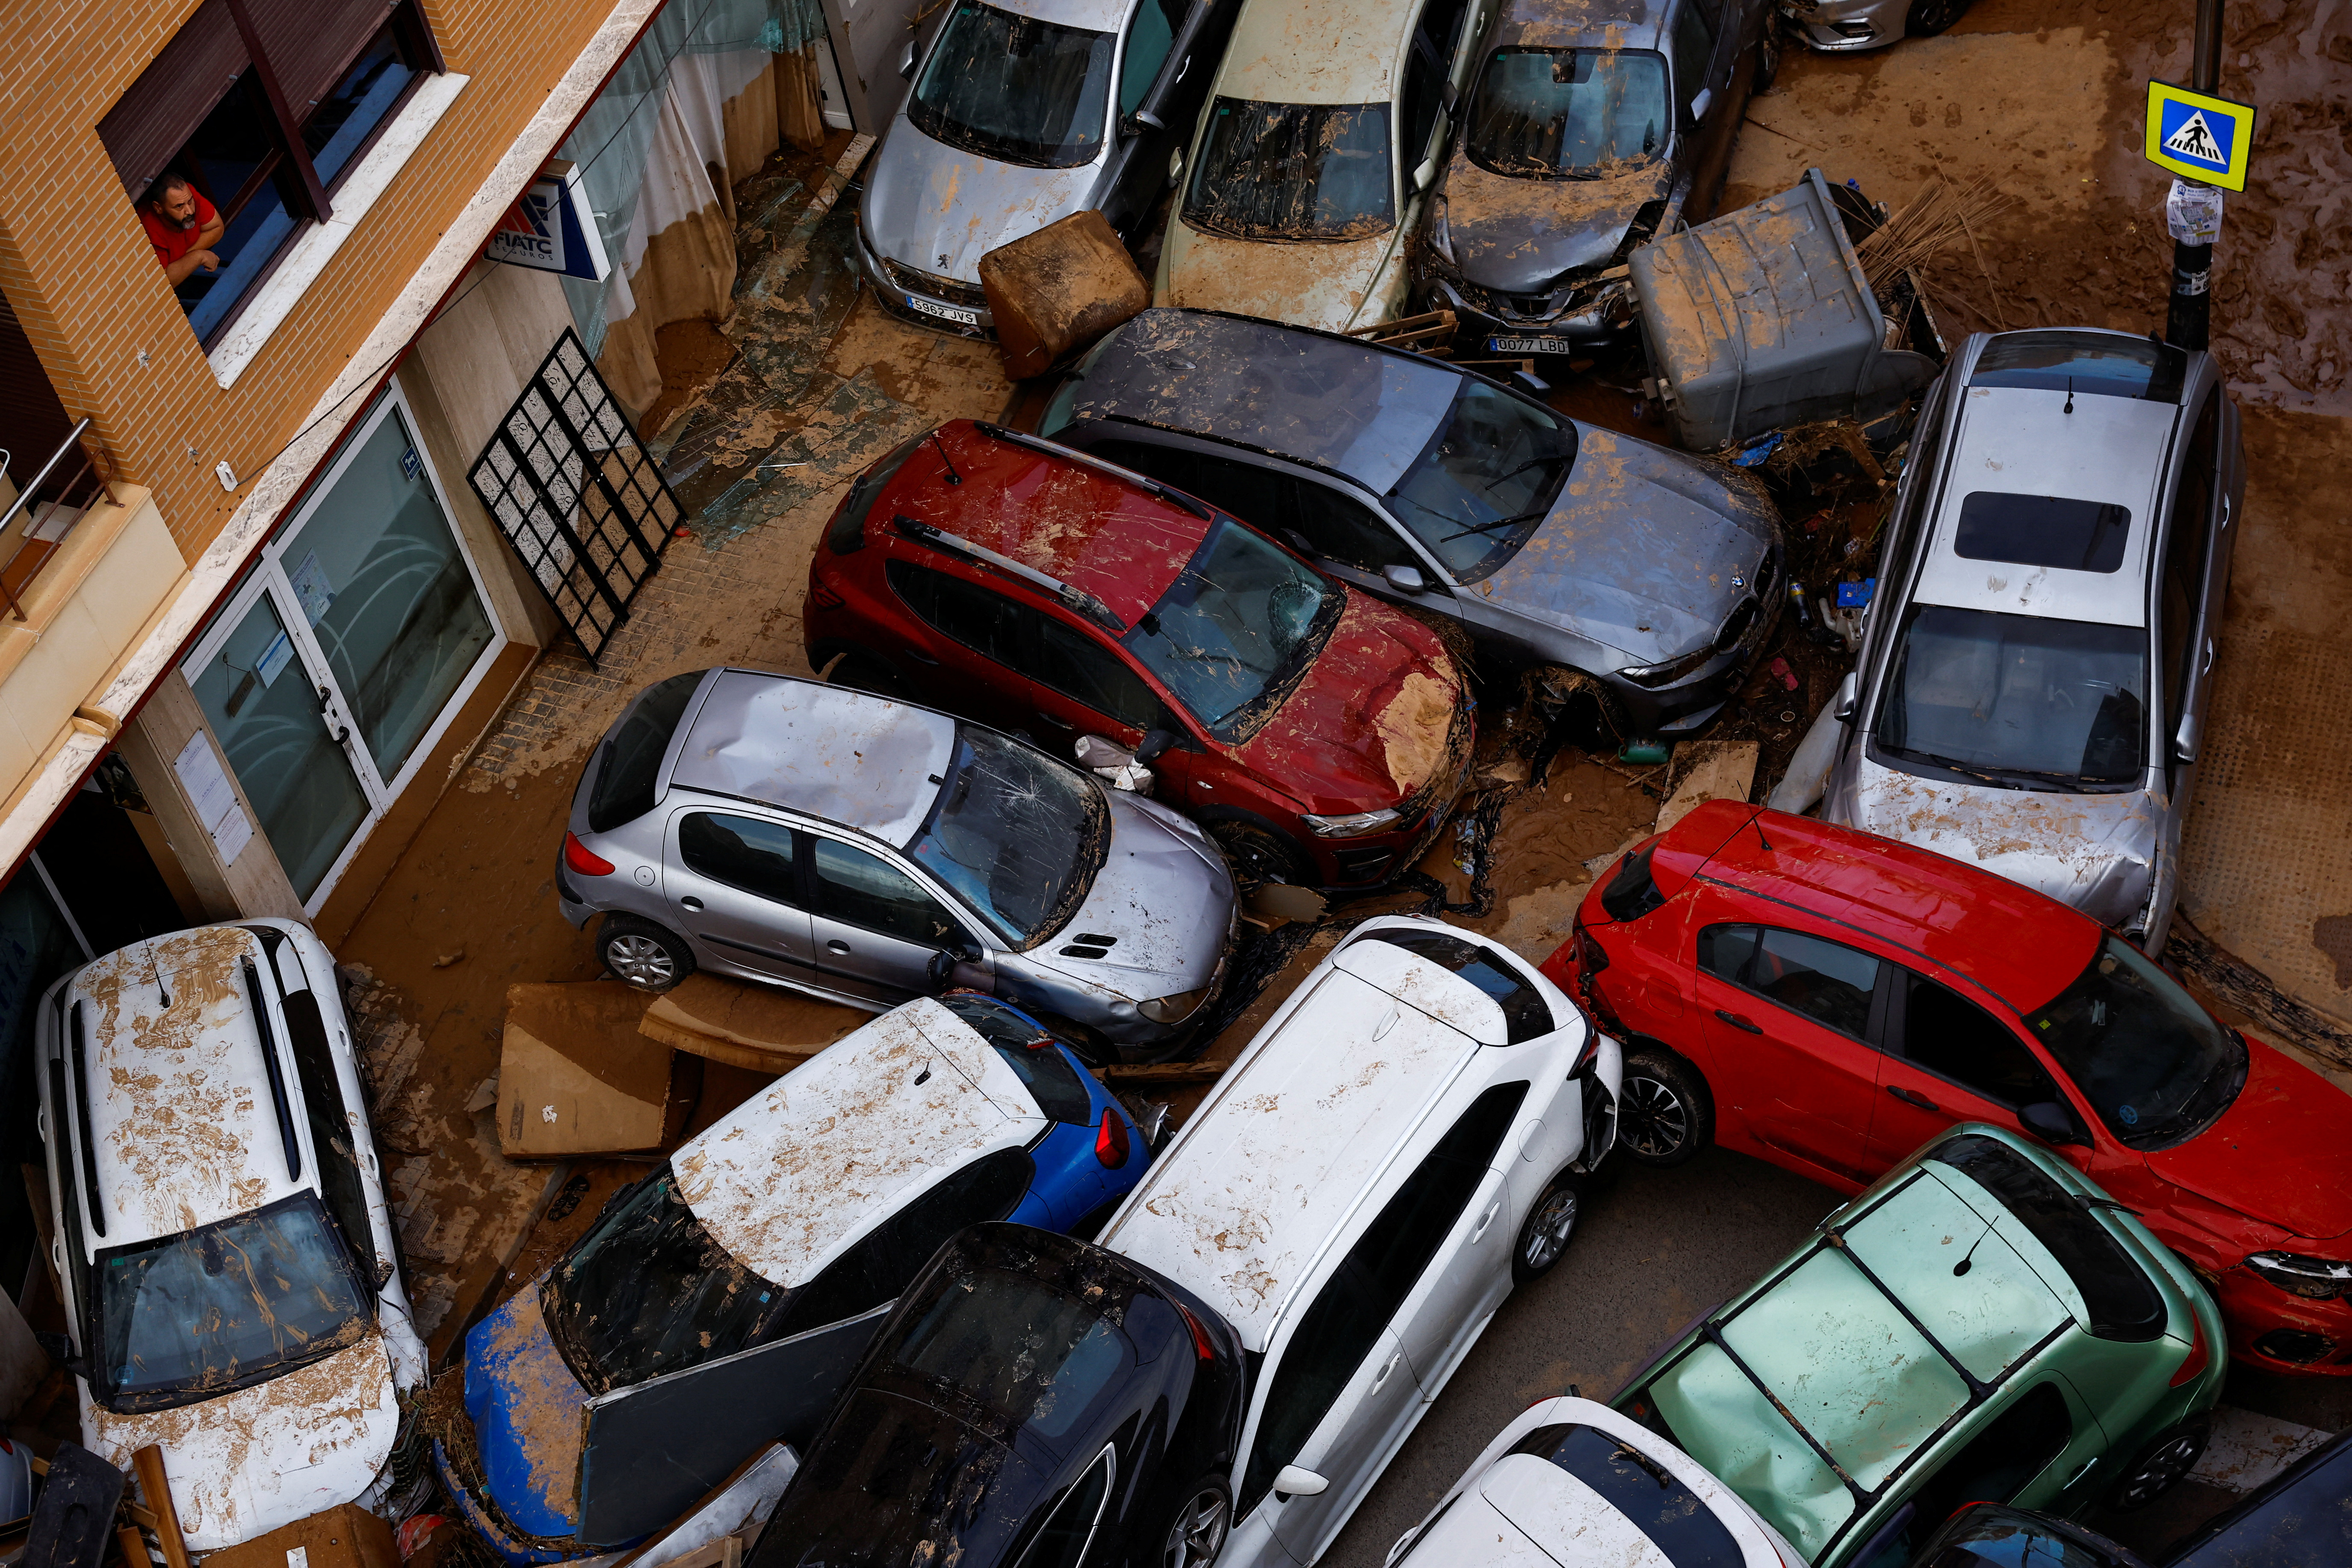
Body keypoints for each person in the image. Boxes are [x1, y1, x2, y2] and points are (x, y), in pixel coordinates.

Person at [140, 174, 224, 286]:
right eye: (179, 207)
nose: (189, 211)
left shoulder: (185, 196)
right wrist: (199, 256)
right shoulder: (149, 230)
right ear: (158, 208)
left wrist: (183, 260)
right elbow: (163, 283)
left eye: (190, 202)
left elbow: (217, 228)